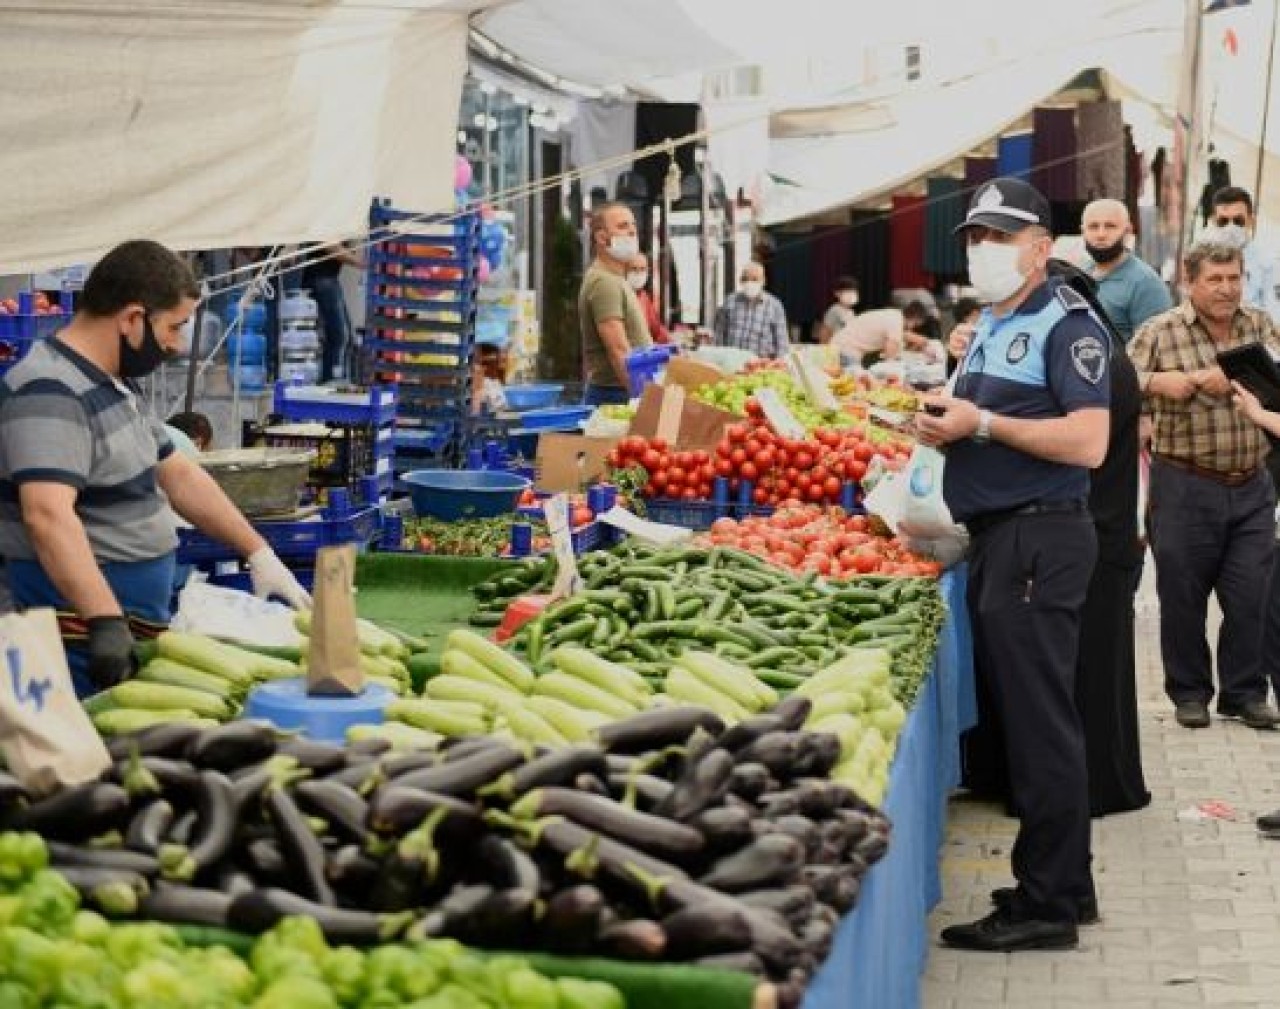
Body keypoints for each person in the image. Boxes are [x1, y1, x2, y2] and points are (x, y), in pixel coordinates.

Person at [917, 177, 1110, 951]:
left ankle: (1046, 905)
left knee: (1040, 729)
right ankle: (1067, 883)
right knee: (1038, 720)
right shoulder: (995, 320)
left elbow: (1090, 441)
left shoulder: (1067, 322)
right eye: (975, 236)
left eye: (1000, 236)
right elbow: (984, 415)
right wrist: (947, 419)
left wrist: (982, 424)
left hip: (1039, 539)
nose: (983, 250)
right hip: (1005, 538)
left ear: (1041, 247)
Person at [0, 240, 312, 699]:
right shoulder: (49, 390)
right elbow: (47, 516)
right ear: (132, 319)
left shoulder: (112, 382)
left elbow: (178, 473)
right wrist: (104, 620)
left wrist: (257, 550)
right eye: (174, 326)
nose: (176, 344)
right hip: (79, 632)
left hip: (125, 619)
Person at [1128, 240, 1280, 730]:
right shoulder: (1160, 331)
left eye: (1234, 278)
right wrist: (1160, 383)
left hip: (1252, 483)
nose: (1226, 289)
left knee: (1252, 593)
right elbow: (1116, 380)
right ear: (1189, 282)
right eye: (1215, 279)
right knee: (1183, 596)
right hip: (1184, 484)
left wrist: (1236, 379)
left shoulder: (1260, 325)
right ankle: (1189, 692)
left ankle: (1245, 693)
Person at [577, 202, 652, 405]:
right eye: (622, 226)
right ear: (601, 237)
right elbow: (618, 350)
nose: (632, 231)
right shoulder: (604, 282)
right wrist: (643, 400)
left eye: (633, 226)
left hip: (620, 391)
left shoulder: (616, 278)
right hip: (615, 394)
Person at [1080, 198, 1173, 342]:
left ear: (1128, 231)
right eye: (1093, 227)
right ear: (1083, 231)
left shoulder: (1146, 284)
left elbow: (1156, 347)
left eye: (1110, 226)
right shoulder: (1079, 273)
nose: (1101, 234)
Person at [1208, 186, 1280, 320]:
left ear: (1251, 221)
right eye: (1223, 221)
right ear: (1213, 222)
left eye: (1238, 221)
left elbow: (1275, 316)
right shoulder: (1203, 261)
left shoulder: (1268, 264)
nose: (1230, 227)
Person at [300, 242, 363, 383]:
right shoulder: (330, 229)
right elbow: (329, 245)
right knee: (340, 336)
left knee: (344, 336)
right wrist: (359, 262)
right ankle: (331, 379)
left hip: (326, 278)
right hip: (321, 278)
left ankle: (335, 377)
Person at [712, 262, 789, 359]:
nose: (749, 283)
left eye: (755, 279)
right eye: (745, 279)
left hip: (761, 364)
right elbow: (718, 335)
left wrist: (778, 363)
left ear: (763, 281)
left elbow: (782, 343)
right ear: (740, 280)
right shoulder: (730, 302)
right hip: (731, 362)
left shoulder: (775, 306)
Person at [832, 307, 905, 369]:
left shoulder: (892, 315)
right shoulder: (897, 320)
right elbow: (891, 346)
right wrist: (891, 366)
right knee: (854, 378)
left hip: (840, 345)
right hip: (847, 350)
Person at [627, 254, 670, 345]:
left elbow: (657, 329)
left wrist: (671, 343)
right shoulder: (621, 295)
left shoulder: (643, 296)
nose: (638, 273)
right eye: (634, 269)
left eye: (642, 269)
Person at [815, 276, 860, 344]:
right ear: (837, 293)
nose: (851, 294)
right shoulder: (834, 310)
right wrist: (825, 348)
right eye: (847, 291)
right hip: (835, 348)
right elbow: (825, 333)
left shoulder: (851, 312)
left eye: (853, 291)